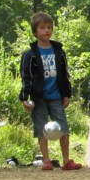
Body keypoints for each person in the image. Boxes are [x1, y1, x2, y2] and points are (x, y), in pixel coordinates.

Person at [19, 12, 82, 170]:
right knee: (41, 129)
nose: (46, 30)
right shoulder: (30, 54)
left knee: (63, 128)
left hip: (56, 96)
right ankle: (46, 160)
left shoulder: (59, 52)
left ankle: (66, 160)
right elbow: (26, 76)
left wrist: (66, 94)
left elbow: (65, 74)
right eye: (42, 28)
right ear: (35, 32)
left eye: (49, 27)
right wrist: (24, 97)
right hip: (38, 98)